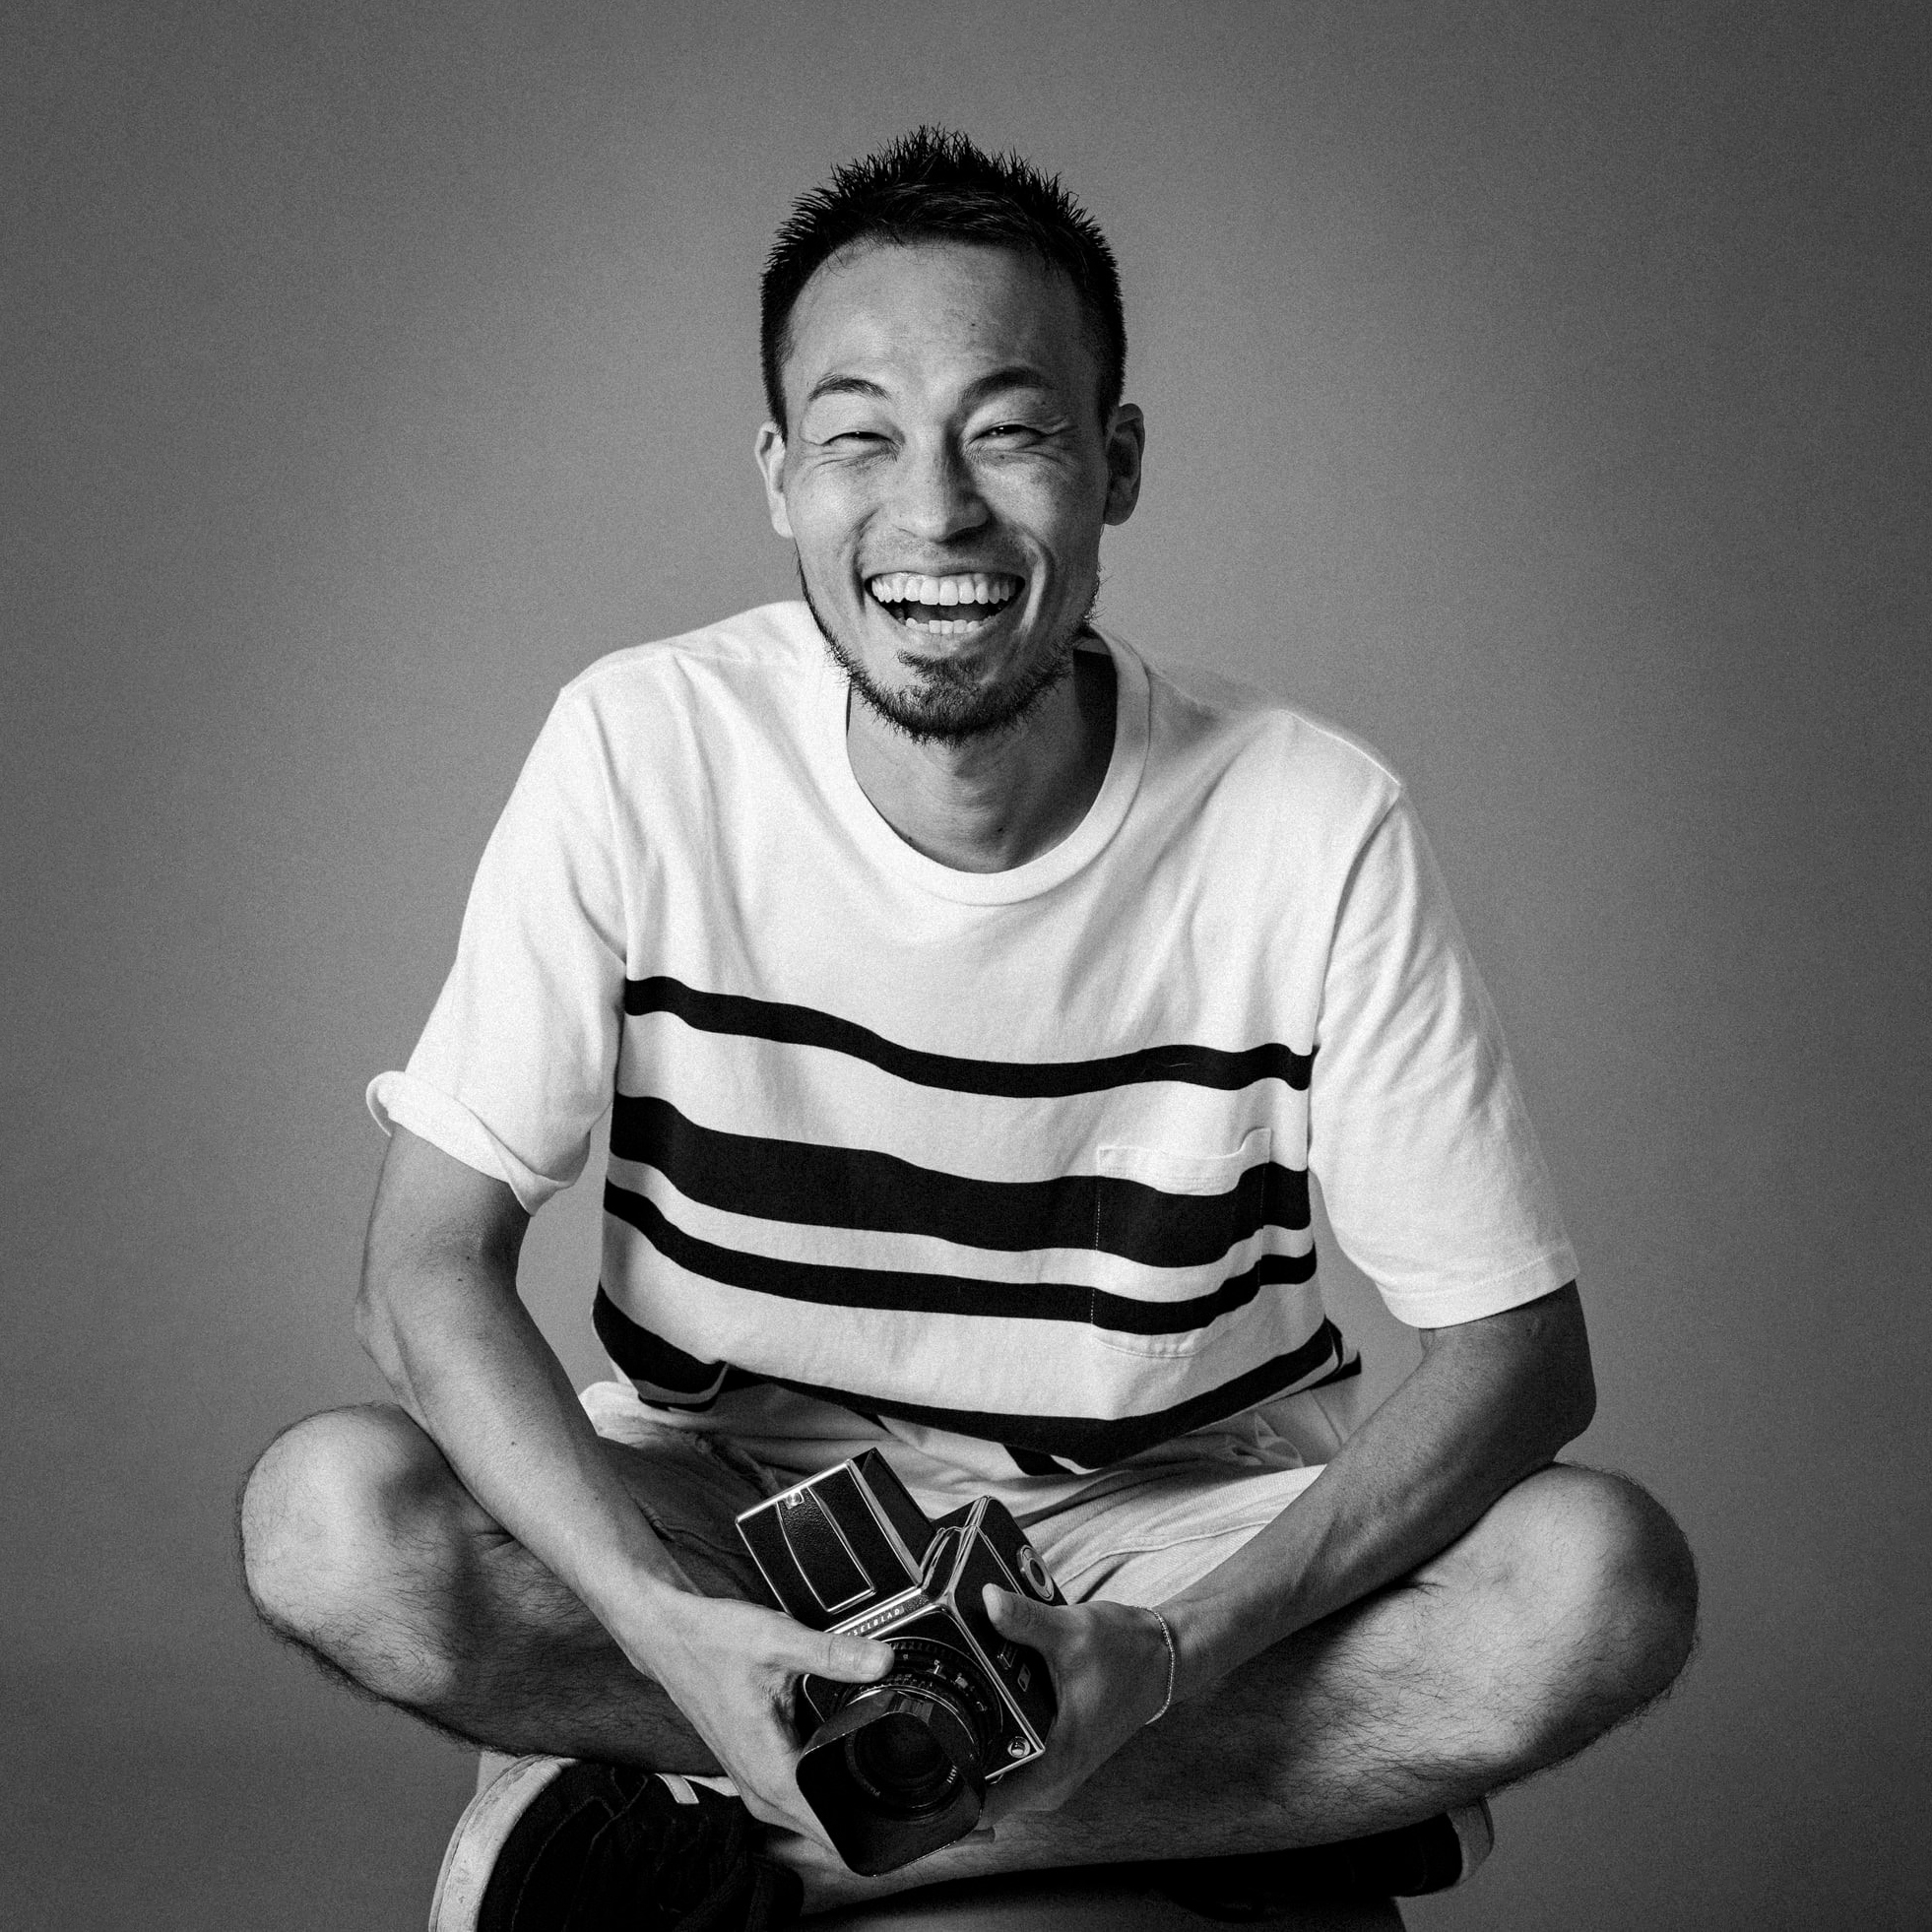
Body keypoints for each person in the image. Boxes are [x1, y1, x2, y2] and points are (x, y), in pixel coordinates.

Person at [239, 128, 1698, 1931]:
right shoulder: (640, 744)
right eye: (857, 437)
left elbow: (1519, 1360)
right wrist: (670, 1629)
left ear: (1115, 462)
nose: (932, 513)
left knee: (1598, 1581)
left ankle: (743, 1844)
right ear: (779, 477)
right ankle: (1246, 1810)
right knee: (330, 1519)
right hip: (731, 1506)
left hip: (1159, 1524)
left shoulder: (1310, 821)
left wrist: (1173, 1650)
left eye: (1008, 431)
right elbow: (420, 1272)